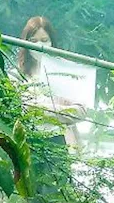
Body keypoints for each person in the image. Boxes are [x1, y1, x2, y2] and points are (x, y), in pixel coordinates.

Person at [16, 16, 87, 153]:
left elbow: (80, 112)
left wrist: (41, 110)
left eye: (44, 40)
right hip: (27, 143)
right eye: (33, 41)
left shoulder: (65, 74)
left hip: (60, 141)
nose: (39, 45)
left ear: (52, 42)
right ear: (25, 43)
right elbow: (20, 110)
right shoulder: (17, 76)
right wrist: (60, 113)